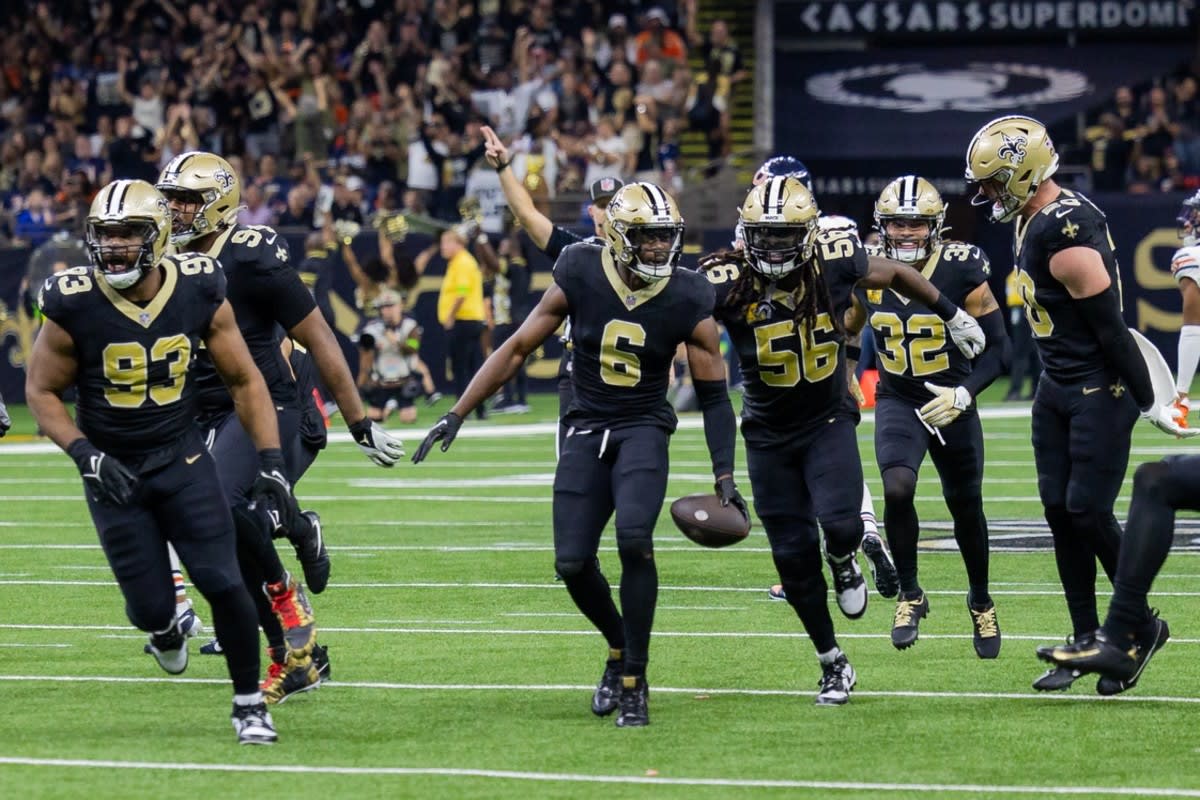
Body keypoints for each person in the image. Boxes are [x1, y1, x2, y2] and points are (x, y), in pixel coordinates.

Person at [412, 182, 743, 729]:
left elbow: (713, 394)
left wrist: (724, 473)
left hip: (642, 426)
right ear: (618, 237)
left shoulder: (688, 294)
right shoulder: (581, 268)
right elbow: (518, 346)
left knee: (635, 540)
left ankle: (635, 678)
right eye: (649, 238)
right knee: (570, 563)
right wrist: (458, 411)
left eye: (667, 237)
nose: (661, 249)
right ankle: (618, 647)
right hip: (587, 427)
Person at [25, 178, 293, 744]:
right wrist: (84, 455)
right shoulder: (72, 299)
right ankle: (165, 629)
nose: (115, 246)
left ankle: (249, 705)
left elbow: (246, 379)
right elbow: (42, 392)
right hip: (113, 470)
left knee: (223, 582)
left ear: (160, 235)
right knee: (149, 609)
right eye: (105, 234)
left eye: (128, 234)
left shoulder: (198, 286)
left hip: (182, 456)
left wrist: (270, 460)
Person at [702, 176, 987, 704]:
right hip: (765, 431)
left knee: (839, 525)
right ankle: (832, 661)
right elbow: (674, 322)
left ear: (809, 234)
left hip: (827, 417)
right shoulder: (723, 279)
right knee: (790, 556)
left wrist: (951, 311)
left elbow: (899, 272)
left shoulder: (834, 257)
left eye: (786, 235)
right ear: (745, 234)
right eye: (764, 235)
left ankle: (844, 558)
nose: (774, 247)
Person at [156, 151, 404, 703]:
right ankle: (298, 659)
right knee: (208, 532)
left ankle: (286, 591)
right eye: (169, 197)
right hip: (203, 412)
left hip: (266, 403)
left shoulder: (250, 255)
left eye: (186, 199)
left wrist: (360, 422)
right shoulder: (161, 260)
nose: (173, 209)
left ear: (217, 204)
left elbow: (318, 336)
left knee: (223, 509)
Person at [963, 115, 1186, 693]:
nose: (985, 194)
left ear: (1024, 174)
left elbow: (1113, 332)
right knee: (1061, 517)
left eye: (992, 183)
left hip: (1098, 390)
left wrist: (1145, 399)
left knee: (1086, 510)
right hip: (1056, 385)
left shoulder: (1065, 234)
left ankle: (1133, 627)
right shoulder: (1035, 216)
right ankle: (1087, 638)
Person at [846, 176, 1011, 658]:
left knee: (965, 504)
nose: (906, 232)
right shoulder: (867, 272)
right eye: (897, 222)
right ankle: (910, 594)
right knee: (897, 488)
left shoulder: (962, 268)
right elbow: (848, 328)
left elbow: (1001, 349)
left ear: (935, 226)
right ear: (882, 226)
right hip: (898, 399)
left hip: (950, 397)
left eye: (916, 223)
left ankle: (980, 599)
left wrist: (965, 393)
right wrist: (845, 370)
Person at [746, 156, 896, 603]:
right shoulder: (837, 231)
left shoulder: (788, 237)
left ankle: (823, 558)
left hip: (787, 366)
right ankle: (865, 530)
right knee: (836, 458)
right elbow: (858, 306)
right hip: (832, 356)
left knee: (803, 465)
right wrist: (848, 360)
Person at [480, 124, 622, 448]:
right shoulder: (578, 251)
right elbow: (529, 216)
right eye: (602, 204)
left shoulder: (645, 256)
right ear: (592, 211)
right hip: (581, 372)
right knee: (574, 478)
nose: (609, 209)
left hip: (629, 371)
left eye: (615, 201)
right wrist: (504, 169)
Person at [357, 289, 436, 423]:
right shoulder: (372, 328)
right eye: (383, 307)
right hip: (381, 381)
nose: (387, 310)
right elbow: (365, 355)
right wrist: (361, 383)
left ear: (400, 306)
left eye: (390, 306)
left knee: (408, 419)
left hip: (403, 381)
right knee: (374, 419)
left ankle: (393, 405)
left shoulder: (410, 326)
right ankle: (388, 406)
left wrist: (396, 341)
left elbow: (413, 348)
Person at [437, 228, 488, 419]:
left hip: (463, 321)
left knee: (461, 368)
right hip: (469, 320)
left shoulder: (462, 262)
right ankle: (479, 410)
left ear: (458, 244)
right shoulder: (459, 262)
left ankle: (460, 411)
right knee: (474, 367)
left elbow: (461, 292)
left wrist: (450, 316)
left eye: (446, 243)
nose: (443, 247)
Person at [1170, 190, 1200, 424]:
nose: (1190, 219)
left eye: (1196, 213)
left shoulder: (1192, 257)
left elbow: (1194, 327)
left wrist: (1181, 393)